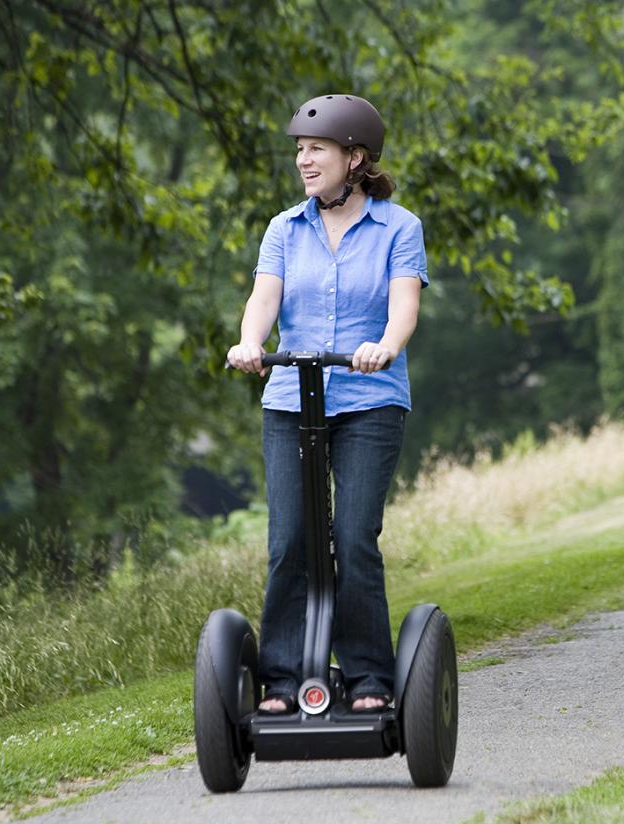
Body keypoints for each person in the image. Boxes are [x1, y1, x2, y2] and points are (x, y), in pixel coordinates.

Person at [227, 94, 427, 714]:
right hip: (291, 401)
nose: (304, 161)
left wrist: (385, 346)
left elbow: (404, 308)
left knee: (354, 537)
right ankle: (282, 680)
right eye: (300, 151)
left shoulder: (399, 226)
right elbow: (264, 300)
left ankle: (369, 676)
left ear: (355, 157)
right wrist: (250, 342)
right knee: (291, 540)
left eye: (316, 149)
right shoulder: (284, 229)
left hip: (370, 401)